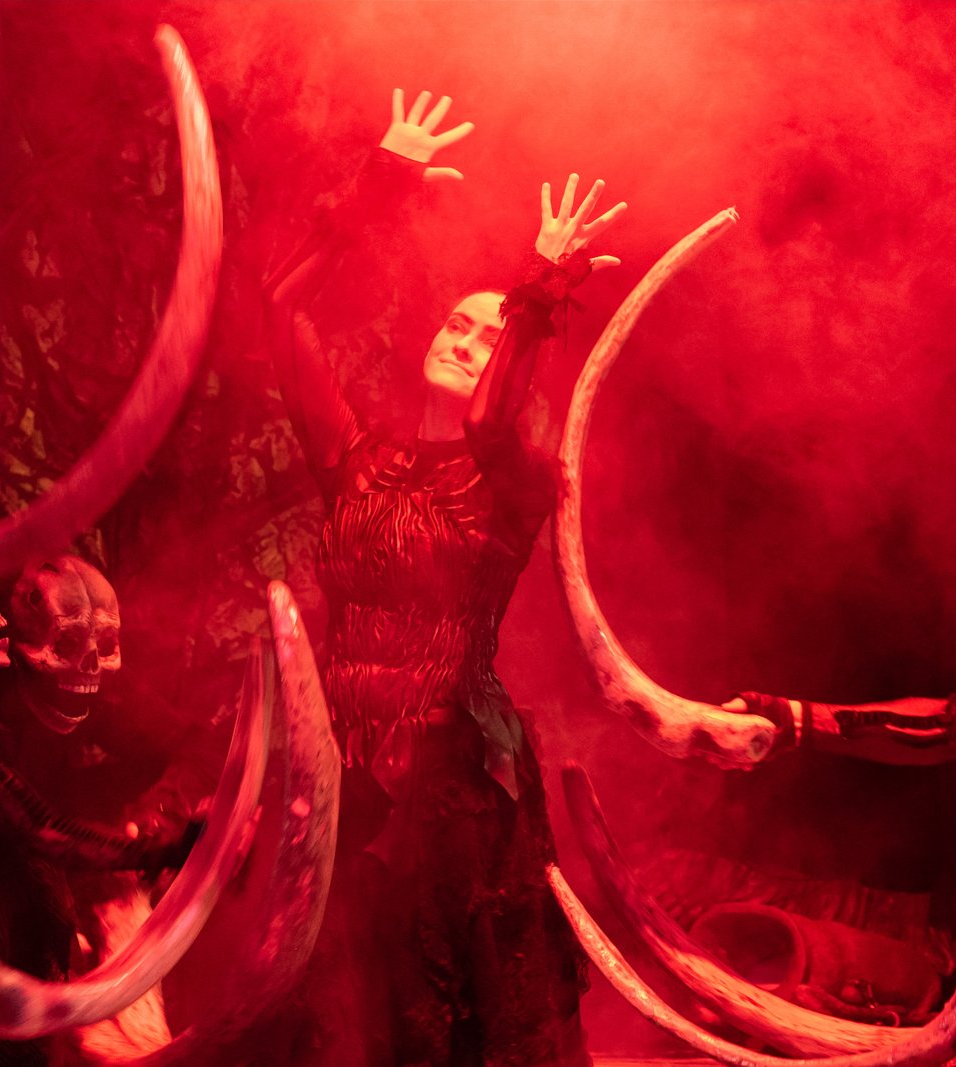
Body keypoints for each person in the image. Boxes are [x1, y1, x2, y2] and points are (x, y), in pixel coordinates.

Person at [265, 88, 623, 1066]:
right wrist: (376, 188)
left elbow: (487, 421)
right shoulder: (359, 460)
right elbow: (281, 309)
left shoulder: (515, 477)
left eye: (486, 336)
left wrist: (536, 290)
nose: (463, 337)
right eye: (456, 324)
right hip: (350, 788)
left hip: (453, 799)